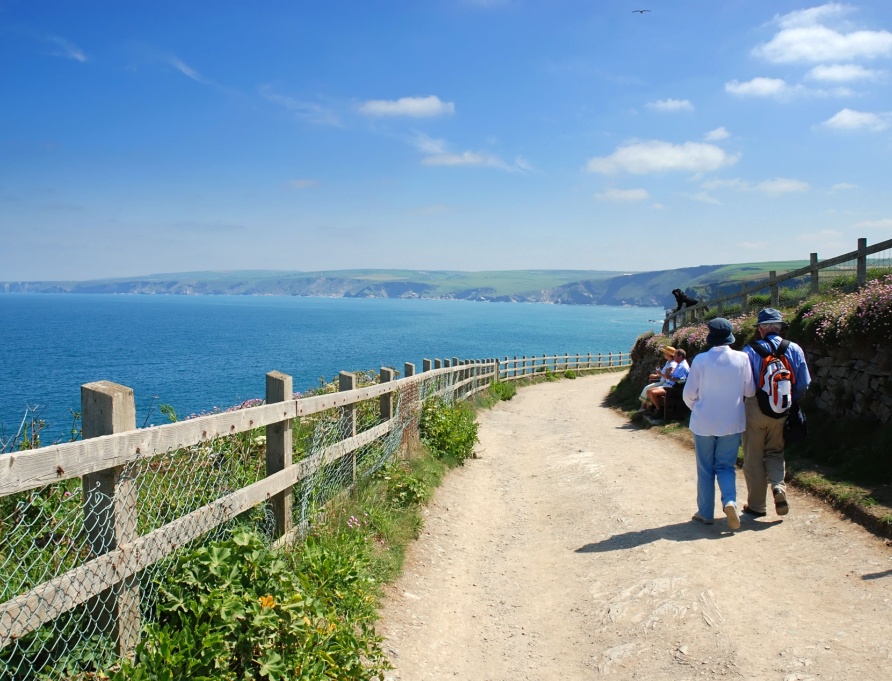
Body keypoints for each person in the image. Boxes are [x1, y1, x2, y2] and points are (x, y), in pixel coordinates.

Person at [683, 318, 755, 528]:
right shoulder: (743, 358)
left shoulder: (700, 360)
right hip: (732, 422)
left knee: (705, 469)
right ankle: (730, 501)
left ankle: (705, 513)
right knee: (725, 467)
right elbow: (750, 391)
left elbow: (688, 394)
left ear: (710, 337)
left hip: (703, 422)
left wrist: (696, 408)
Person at [742, 308, 811, 518]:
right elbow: (804, 383)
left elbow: (744, 384)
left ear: (761, 328)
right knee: (775, 451)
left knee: (753, 456)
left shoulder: (749, 350)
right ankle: (778, 487)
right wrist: (789, 400)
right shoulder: (795, 349)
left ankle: (756, 506)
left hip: (754, 408)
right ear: (780, 327)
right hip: (781, 407)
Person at [637, 346, 677, 411]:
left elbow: (668, 376)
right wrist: (656, 375)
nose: (664, 354)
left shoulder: (672, 364)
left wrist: (659, 374)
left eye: (665, 353)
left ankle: (644, 407)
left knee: (647, 388)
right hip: (663, 381)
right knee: (648, 388)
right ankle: (646, 407)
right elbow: (665, 374)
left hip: (665, 382)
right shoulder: (668, 362)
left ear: (669, 354)